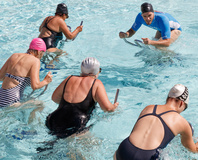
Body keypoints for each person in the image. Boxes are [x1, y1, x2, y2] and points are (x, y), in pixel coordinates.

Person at [114, 84, 198, 160]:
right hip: (146, 156)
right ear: (181, 103)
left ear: (168, 98)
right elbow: (193, 149)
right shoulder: (182, 122)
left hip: (124, 149)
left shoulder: (148, 108)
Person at [45, 57, 119, 138]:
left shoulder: (69, 78)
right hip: (75, 124)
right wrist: (114, 107)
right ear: (96, 71)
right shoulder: (96, 83)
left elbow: (54, 98)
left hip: (54, 119)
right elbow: (107, 108)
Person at [0, 38, 53, 107]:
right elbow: (35, 86)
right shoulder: (35, 61)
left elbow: (0, 77)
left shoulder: (14, 55)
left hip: (1, 96)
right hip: (12, 100)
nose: (41, 56)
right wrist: (46, 81)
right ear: (39, 52)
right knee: (40, 104)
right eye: (42, 53)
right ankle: (32, 118)